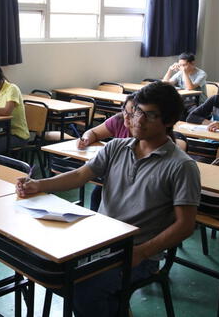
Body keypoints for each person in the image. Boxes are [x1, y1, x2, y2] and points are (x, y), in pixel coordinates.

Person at [17, 82, 200, 317]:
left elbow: (185, 226)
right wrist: (39, 184)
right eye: (137, 112)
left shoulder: (182, 166)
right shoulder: (116, 147)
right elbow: (81, 175)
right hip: (98, 240)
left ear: (168, 120)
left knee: (83, 288)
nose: (138, 120)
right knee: (42, 261)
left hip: (137, 253)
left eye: (150, 115)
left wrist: (142, 252)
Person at [77, 94, 135, 210]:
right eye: (125, 111)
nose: (126, 117)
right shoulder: (118, 121)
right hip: (114, 173)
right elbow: (93, 132)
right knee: (97, 195)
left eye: (132, 115)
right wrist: (86, 139)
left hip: (130, 180)